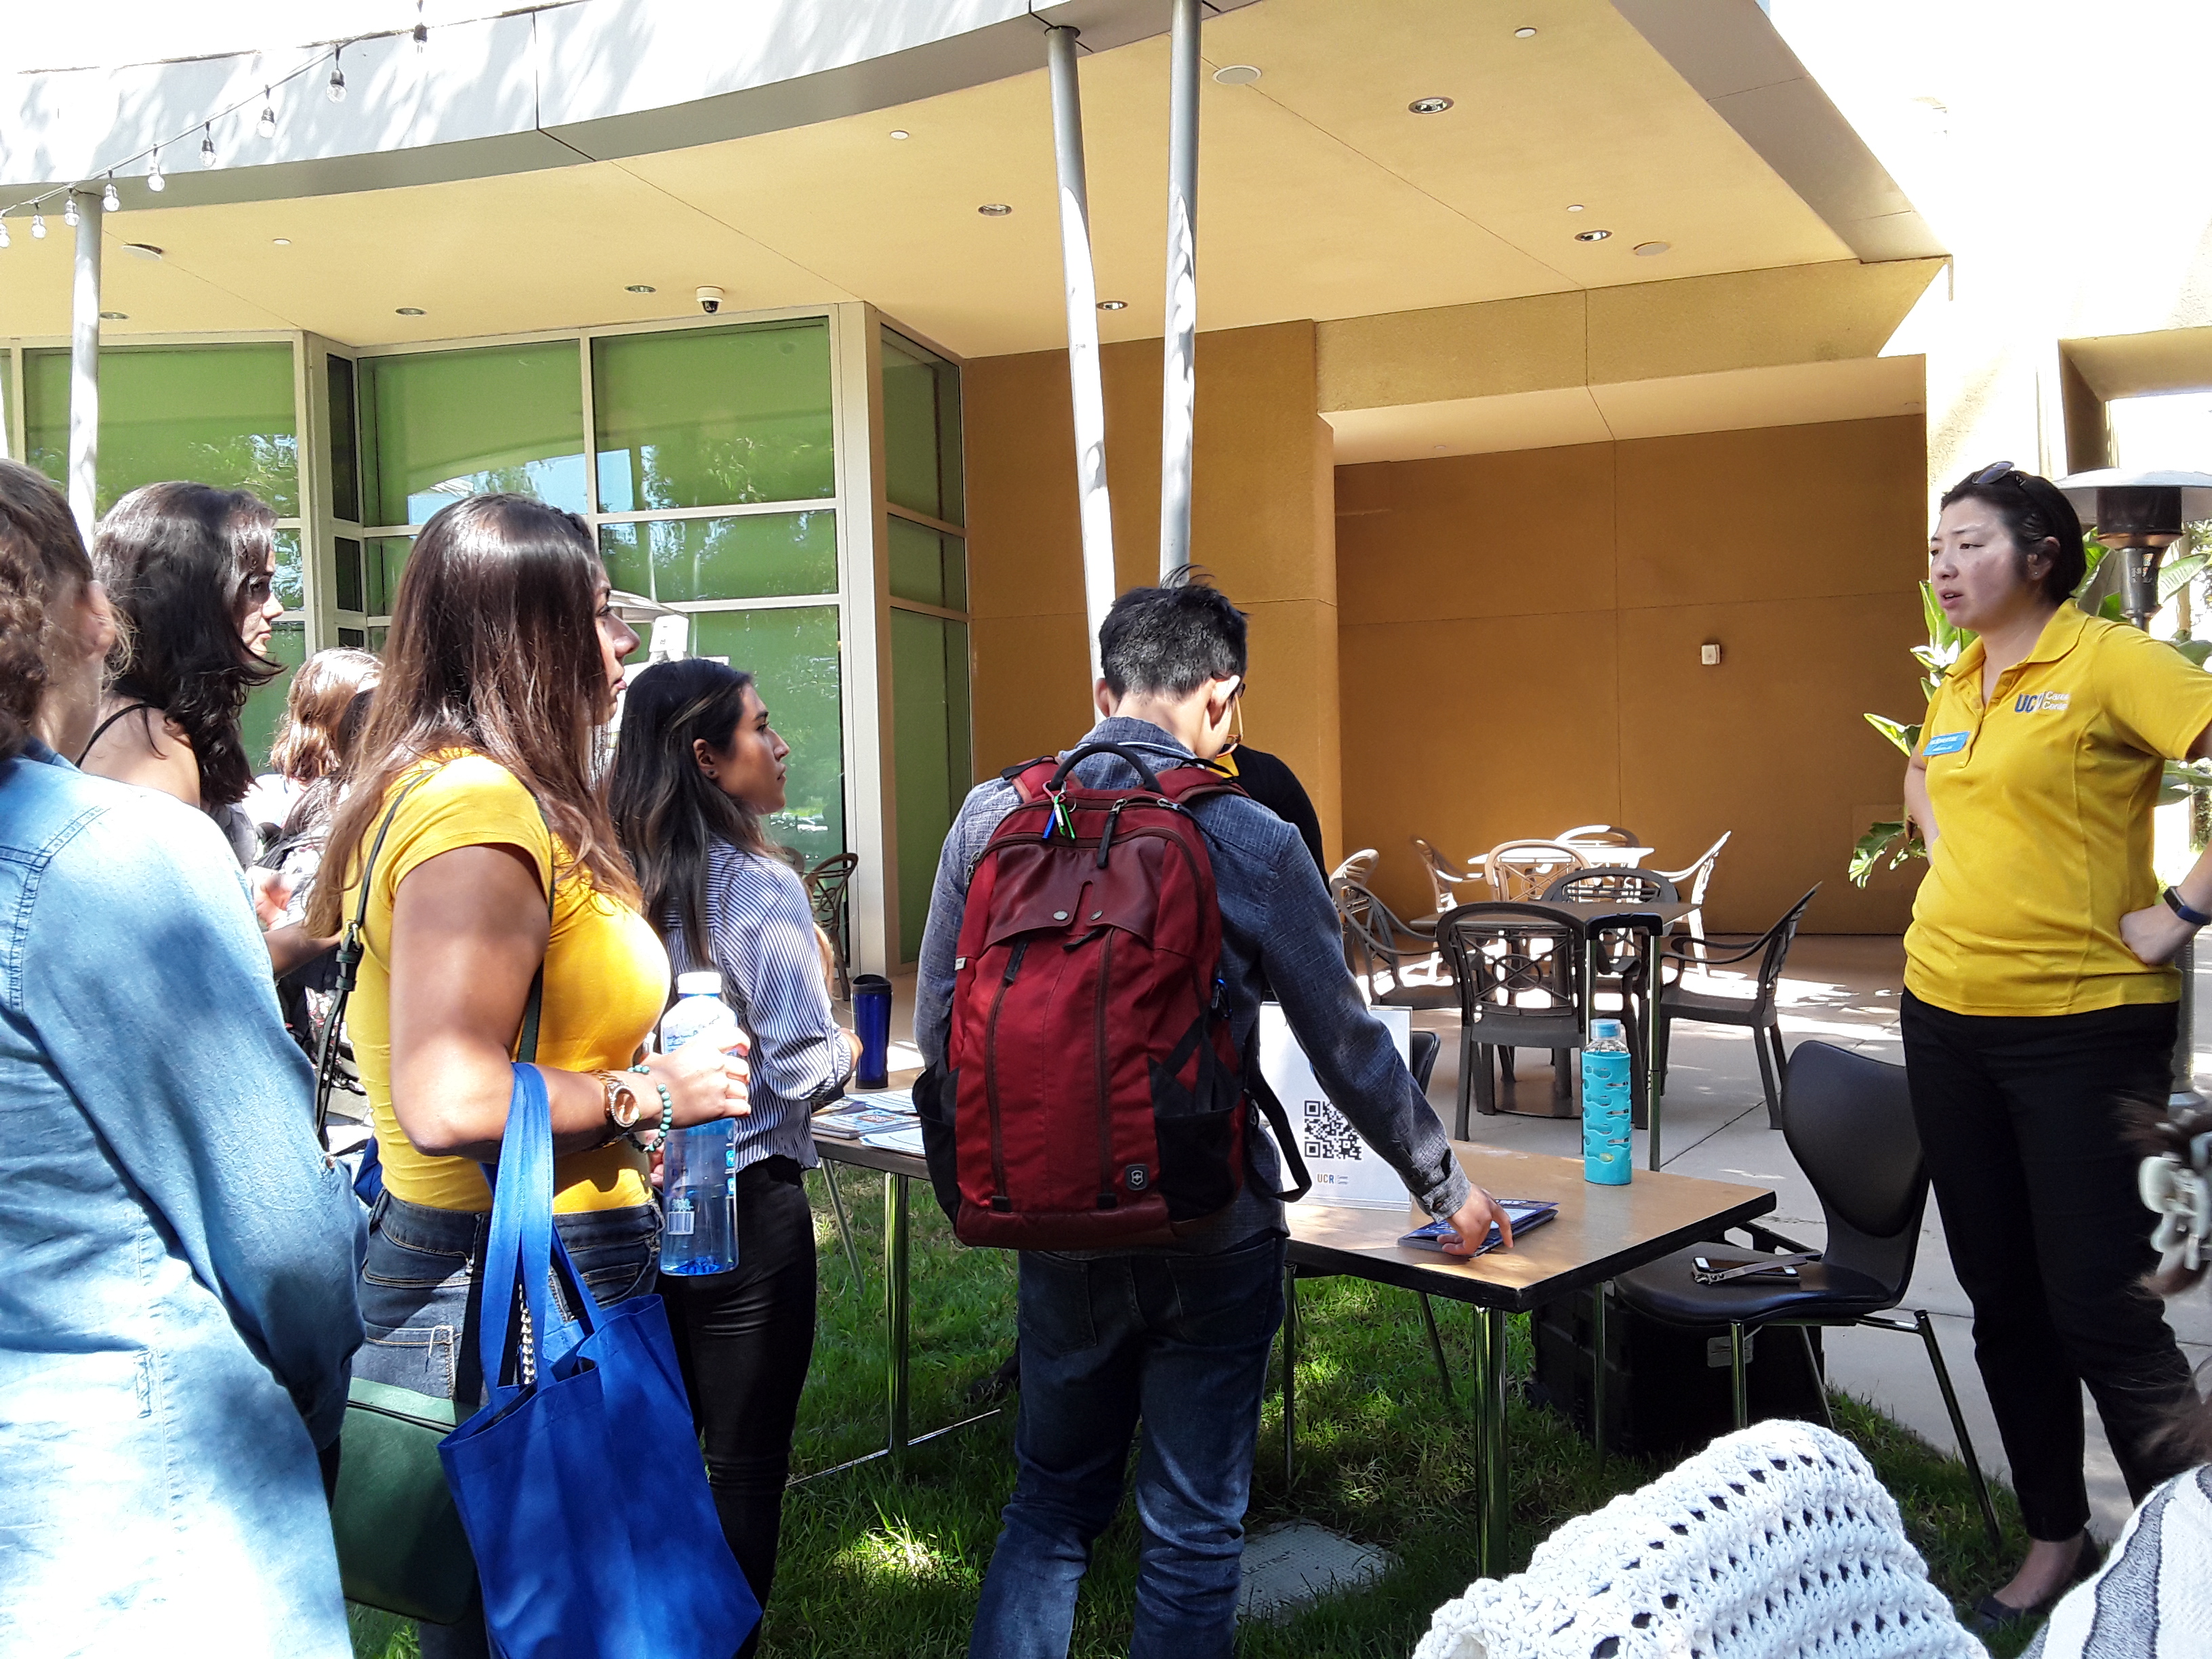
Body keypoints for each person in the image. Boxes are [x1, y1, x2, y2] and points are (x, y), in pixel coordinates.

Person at [916, 573, 1511, 1659]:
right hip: (1211, 1222)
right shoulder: (1252, 837)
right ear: (1222, 701)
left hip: (1051, 1215)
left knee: (1049, 1507)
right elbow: (1345, 1044)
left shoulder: (989, 818)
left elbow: (940, 1027)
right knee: (1191, 1532)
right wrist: (1445, 1186)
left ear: (1103, 692)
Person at [304, 494, 750, 1659]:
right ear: (528, 635)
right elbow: (451, 1096)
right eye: (599, 613)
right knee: (575, 1625)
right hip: (513, 1286)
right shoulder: (477, 808)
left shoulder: (471, 791)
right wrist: (652, 1096)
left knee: (534, 1618)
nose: (621, 640)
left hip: (517, 1267)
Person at [0, 458, 365, 1657]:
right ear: (81, 616)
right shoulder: (113, 851)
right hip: (132, 1523)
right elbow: (285, 1243)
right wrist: (322, 1405)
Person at [1900, 461, 2212, 1633]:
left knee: (2100, 1306)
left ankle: (2191, 1568)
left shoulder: (2110, 660)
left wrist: (2178, 912)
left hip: (2083, 1031)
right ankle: (2053, 1538)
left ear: (2040, 554)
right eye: (1936, 548)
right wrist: (1950, 853)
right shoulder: (1963, 675)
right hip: (1944, 1018)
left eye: (1969, 543)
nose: (1944, 566)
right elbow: (1920, 771)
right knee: (2002, 1298)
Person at [608, 657, 856, 1653]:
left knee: (651, 1457)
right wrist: (845, 1040)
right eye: (760, 727)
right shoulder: (757, 885)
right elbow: (800, 1067)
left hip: (619, 1197)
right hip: (746, 1207)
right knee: (743, 1469)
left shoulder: (605, 879)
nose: (781, 744)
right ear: (707, 758)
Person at [79, 480, 286, 864]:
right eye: (257, 586)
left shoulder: (146, 721)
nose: (275, 608)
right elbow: (158, 899)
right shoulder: (147, 742)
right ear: (192, 596)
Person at [245, 644, 382, 846]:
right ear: (325, 713)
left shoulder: (391, 789)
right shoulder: (267, 799)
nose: (380, 718)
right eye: (363, 705)